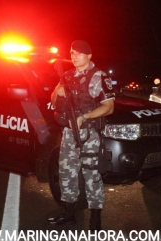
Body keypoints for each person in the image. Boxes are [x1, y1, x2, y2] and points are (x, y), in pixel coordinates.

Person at [48, 40, 115, 230]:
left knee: (91, 174)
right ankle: (69, 212)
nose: (74, 56)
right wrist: (57, 91)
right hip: (69, 133)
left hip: (89, 133)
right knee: (66, 172)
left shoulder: (100, 77)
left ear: (89, 55)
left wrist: (84, 117)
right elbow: (53, 102)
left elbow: (109, 108)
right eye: (72, 53)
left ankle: (95, 216)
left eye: (78, 53)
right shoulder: (67, 76)